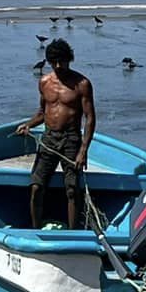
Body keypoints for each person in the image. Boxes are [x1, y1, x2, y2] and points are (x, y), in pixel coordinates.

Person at [16, 39, 96, 230]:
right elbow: (43, 113)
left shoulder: (82, 84)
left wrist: (83, 151)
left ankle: (72, 231)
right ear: (49, 61)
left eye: (63, 61)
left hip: (71, 139)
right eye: (55, 62)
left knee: (71, 189)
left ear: (70, 59)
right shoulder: (44, 82)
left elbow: (90, 118)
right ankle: (36, 230)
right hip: (49, 138)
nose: (59, 66)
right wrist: (27, 125)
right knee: (36, 187)